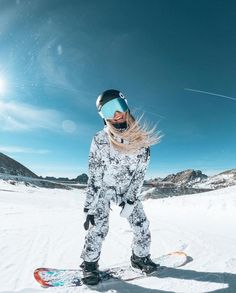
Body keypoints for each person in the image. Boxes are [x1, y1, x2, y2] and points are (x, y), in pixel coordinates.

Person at [80, 89, 162, 285]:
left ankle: (139, 258)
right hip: (104, 190)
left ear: (126, 106)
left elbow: (139, 175)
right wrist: (89, 207)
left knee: (141, 225)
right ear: (103, 116)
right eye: (108, 110)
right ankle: (89, 264)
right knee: (98, 227)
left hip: (127, 190)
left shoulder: (142, 142)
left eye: (118, 106)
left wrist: (131, 199)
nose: (116, 114)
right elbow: (94, 175)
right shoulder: (100, 140)